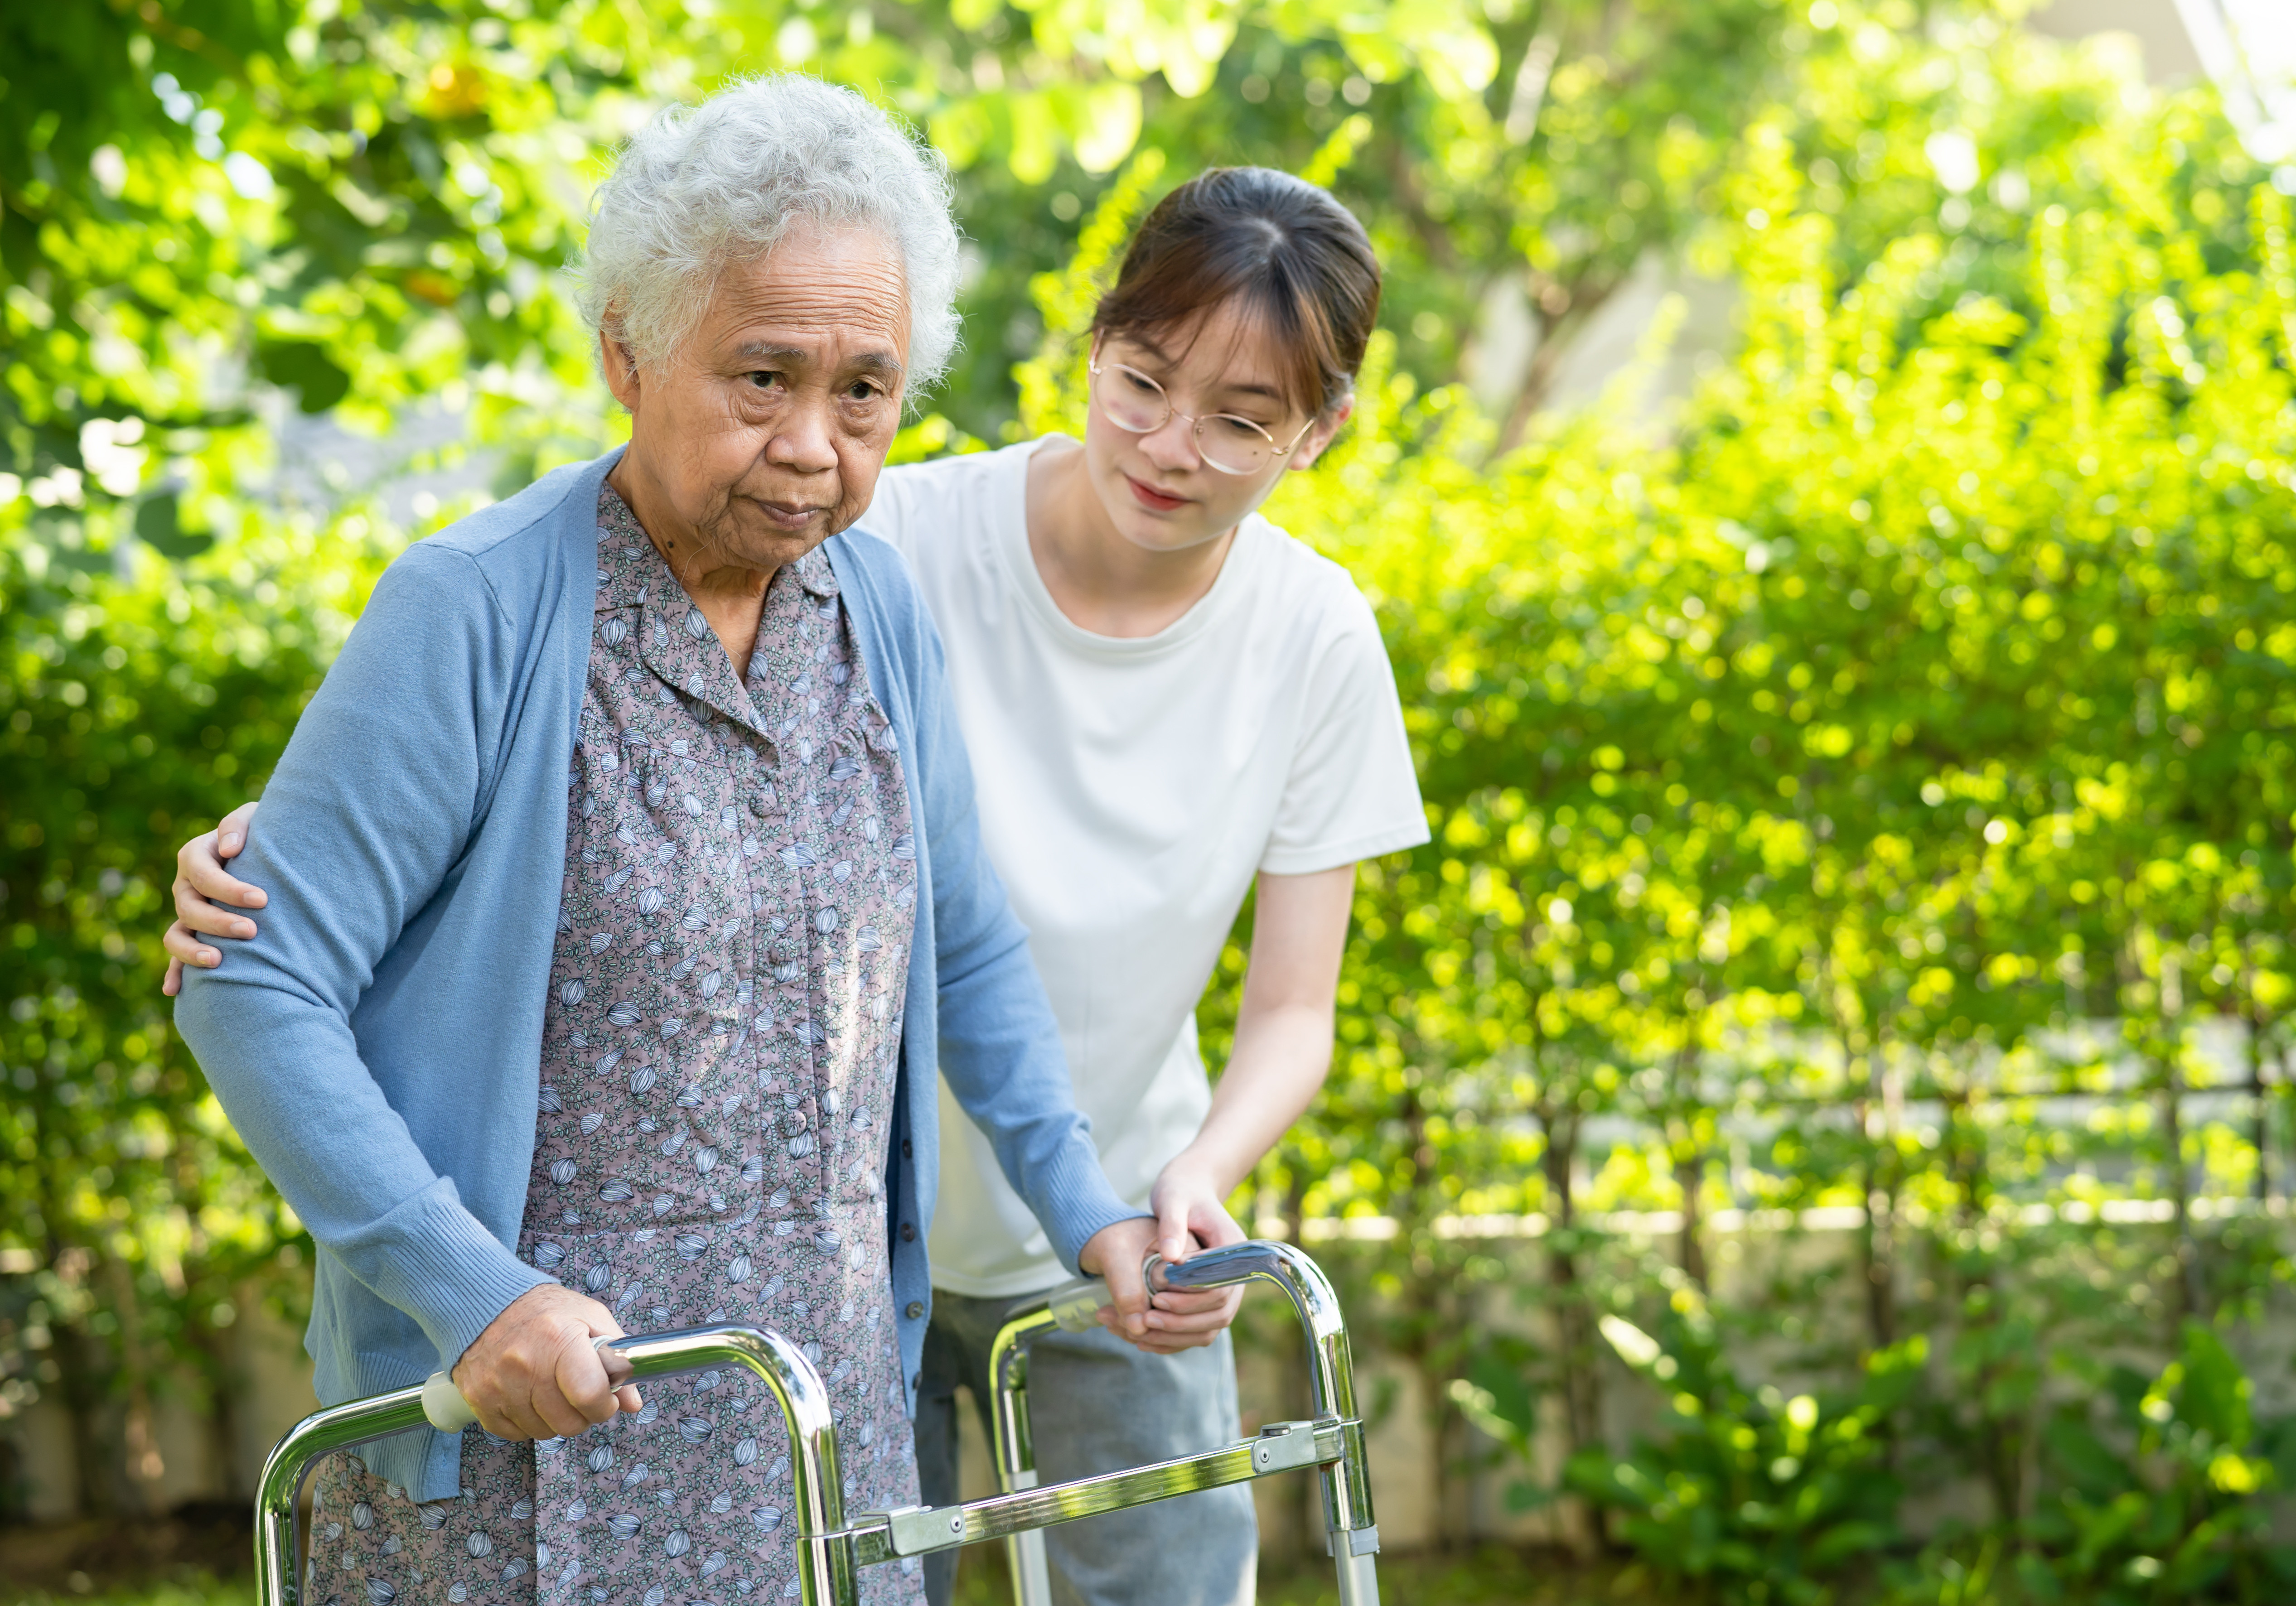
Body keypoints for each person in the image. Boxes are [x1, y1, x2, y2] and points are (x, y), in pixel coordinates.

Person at [168, 168, 1426, 1604]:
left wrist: (1090, 1206)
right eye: (762, 378)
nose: (813, 447)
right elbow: (257, 978)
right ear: (626, 351)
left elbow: (966, 938)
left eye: (866, 393)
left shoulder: (873, 602)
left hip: (814, 1425)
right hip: (527, 1427)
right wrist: (474, 1300)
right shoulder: (478, 607)